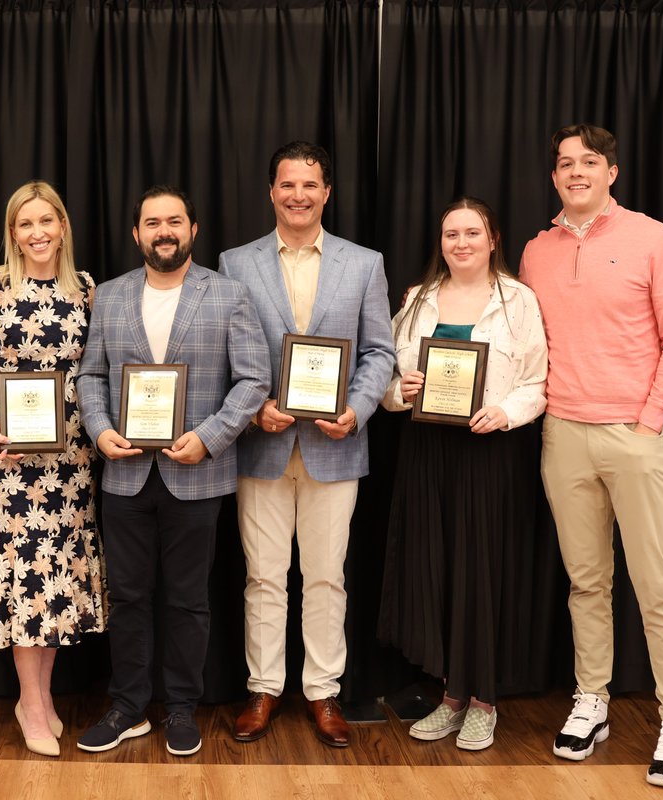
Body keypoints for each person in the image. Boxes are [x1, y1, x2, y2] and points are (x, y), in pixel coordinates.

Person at [519, 124, 663, 787]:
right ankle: (591, 699)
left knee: (657, 585)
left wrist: (651, 421)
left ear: (611, 172)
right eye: (564, 163)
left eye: (587, 162)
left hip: (636, 435)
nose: (575, 172)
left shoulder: (654, 240)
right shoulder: (536, 250)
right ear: (554, 176)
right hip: (563, 434)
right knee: (586, 580)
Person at [74, 185, 270, 756]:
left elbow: (254, 379)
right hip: (126, 474)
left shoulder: (228, 294)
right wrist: (99, 427)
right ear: (136, 234)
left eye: (175, 221)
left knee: (188, 599)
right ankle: (128, 707)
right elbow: (90, 375)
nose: (165, 230)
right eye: (153, 222)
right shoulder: (109, 296)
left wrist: (209, 439)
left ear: (193, 229)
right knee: (129, 596)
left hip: (197, 474)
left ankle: (181, 708)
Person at [217, 142, 394, 747]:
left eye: (309, 185)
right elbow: (226, 354)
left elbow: (379, 353)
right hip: (261, 446)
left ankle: (323, 693)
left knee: (325, 577)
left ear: (327, 192)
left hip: (334, 446)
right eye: (287, 185)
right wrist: (251, 410)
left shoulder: (364, 263)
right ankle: (263, 688)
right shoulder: (235, 263)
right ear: (271, 191)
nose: (298, 195)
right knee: (263, 577)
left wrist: (359, 408)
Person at [378, 197, 547, 750]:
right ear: (441, 241)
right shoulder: (417, 299)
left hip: (487, 451)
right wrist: (398, 394)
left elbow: (536, 382)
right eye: (452, 234)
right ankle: (450, 695)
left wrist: (505, 413)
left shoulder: (518, 300)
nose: (462, 243)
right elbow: (388, 375)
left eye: (473, 232)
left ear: (493, 238)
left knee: (480, 573)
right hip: (427, 452)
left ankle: (484, 701)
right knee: (438, 570)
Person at [0, 181, 107, 757]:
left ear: (63, 226)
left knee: (59, 575)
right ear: (12, 232)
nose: (38, 232)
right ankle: (29, 699)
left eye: (47, 221)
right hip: (13, 455)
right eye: (26, 224)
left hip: (73, 456)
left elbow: (95, 371)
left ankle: (41, 698)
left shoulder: (87, 288)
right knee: (27, 569)